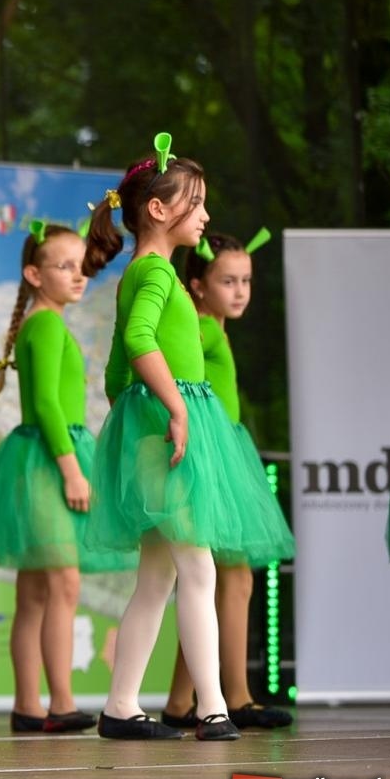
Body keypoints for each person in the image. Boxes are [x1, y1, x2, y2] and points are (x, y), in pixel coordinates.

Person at [81, 133, 292, 742]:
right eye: (196, 204)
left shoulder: (152, 274)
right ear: (158, 210)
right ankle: (213, 708)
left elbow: (118, 372)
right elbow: (141, 343)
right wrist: (173, 408)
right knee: (197, 569)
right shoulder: (154, 275)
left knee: (160, 578)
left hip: (158, 436)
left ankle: (121, 706)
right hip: (172, 434)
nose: (205, 216)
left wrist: (140, 414)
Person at [0, 221, 134, 734]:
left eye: (80, 264)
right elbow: (43, 403)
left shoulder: (48, 324)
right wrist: (71, 471)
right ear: (33, 274)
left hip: (44, 456)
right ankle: (59, 702)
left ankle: (28, 705)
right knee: (62, 582)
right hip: (47, 459)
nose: (78, 274)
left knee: (37, 592)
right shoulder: (44, 325)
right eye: (64, 266)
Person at [161, 229, 295, 730]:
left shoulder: (213, 324)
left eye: (246, 281)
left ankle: (180, 701)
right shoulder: (202, 328)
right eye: (227, 281)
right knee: (229, 577)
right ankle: (234, 695)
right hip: (214, 455)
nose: (240, 291)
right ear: (197, 285)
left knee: (209, 581)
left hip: (222, 452)